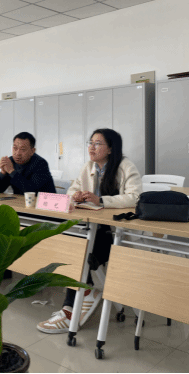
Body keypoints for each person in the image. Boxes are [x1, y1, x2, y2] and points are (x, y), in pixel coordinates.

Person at [37, 128, 142, 334]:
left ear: (110, 149)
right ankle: (80, 296)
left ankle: (72, 306)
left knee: (80, 250)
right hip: (92, 229)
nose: (91, 147)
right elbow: (71, 190)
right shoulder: (88, 167)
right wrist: (75, 196)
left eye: (97, 143)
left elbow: (135, 197)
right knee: (71, 243)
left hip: (117, 233)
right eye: (90, 143)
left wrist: (101, 200)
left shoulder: (125, 167)